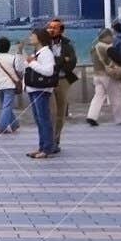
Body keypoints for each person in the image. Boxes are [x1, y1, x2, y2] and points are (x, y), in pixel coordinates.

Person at [24, 27, 59, 158]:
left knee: (44, 119)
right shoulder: (37, 53)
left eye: (32, 35)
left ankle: (47, 148)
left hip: (41, 90)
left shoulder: (46, 53)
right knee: (39, 120)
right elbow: (25, 67)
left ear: (39, 38)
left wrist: (32, 63)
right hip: (33, 89)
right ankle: (42, 146)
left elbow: (48, 71)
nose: (30, 37)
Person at [86, 26, 121, 127]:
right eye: (111, 36)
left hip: (97, 75)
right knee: (116, 96)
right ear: (106, 37)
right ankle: (120, 119)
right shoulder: (107, 47)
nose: (112, 38)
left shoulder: (94, 47)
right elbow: (120, 60)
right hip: (109, 76)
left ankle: (91, 116)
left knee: (98, 96)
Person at [46, 18, 78, 146]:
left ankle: (56, 139)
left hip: (63, 80)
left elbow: (72, 61)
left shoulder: (68, 45)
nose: (52, 29)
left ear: (61, 30)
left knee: (61, 111)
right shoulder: (44, 43)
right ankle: (49, 139)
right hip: (47, 80)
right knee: (51, 112)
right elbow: (42, 60)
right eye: (50, 27)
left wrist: (58, 62)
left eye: (55, 27)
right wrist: (61, 59)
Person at [0, 36, 23, 134]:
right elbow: (20, 69)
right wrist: (19, 52)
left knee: (5, 106)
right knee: (7, 106)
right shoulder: (12, 58)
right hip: (9, 85)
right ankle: (2, 127)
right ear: (8, 47)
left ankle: (14, 124)